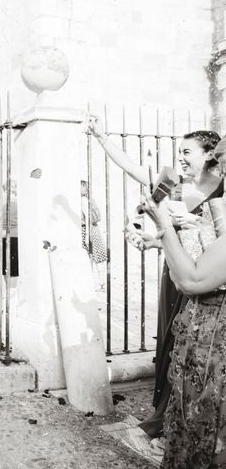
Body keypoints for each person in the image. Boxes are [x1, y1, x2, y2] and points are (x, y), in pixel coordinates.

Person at [88, 117, 222, 439]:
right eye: (180, 151)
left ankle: (180, 417)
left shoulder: (222, 190)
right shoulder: (173, 185)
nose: (181, 157)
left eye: (187, 151)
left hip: (209, 276)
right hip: (174, 273)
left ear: (208, 154)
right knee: (169, 342)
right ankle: (163, 412)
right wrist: (103, 137)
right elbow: (132, 167)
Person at [138, 137, 226, 467]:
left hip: (216, 344)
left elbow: (192, 279)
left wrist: (162, 225)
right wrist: (161, 240)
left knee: (207, 424)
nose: (220, 172)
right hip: (203, 340)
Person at [80, 180, 107, 291]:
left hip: (88, 230)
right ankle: (102, 284)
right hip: (94, 229)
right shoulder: (89, 199)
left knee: (90, 257)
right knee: (98, 257)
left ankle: (94, 284)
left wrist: (87, 236)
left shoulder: (83, 200)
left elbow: (87, 218)